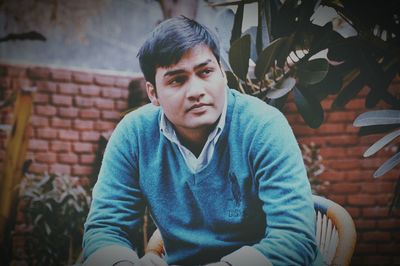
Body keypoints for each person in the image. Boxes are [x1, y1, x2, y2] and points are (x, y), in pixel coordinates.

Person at [82, 16, 322, 266]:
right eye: (177, 79)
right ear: (153, 93)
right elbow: (105, 228)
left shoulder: (263, 126)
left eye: (205, 72)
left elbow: (294, 240)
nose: (196, 91)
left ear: (222, 73)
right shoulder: (134, 135)